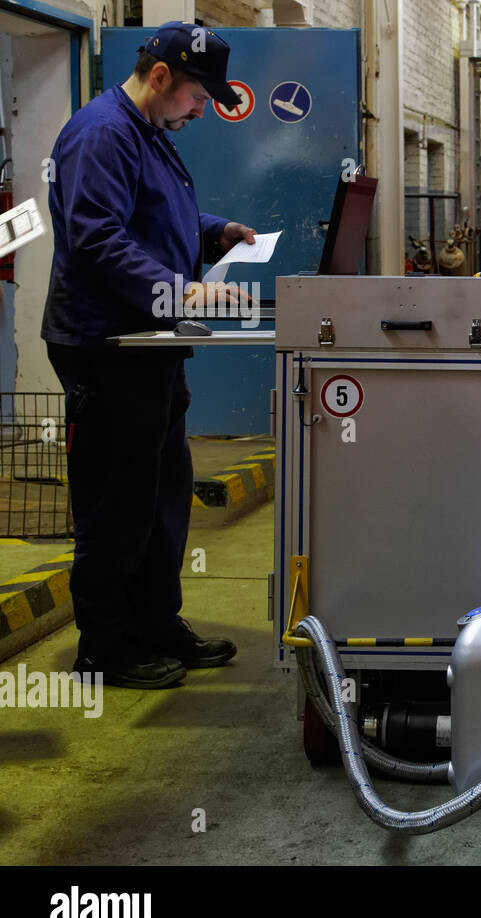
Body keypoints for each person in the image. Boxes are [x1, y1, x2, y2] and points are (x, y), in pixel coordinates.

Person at [42, 21, 255, 688]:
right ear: (161, 76)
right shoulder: (101, 133)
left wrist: (215, 233)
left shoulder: (147, 134)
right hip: (106, 344)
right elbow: (96, 237)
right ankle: (106, 646)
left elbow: (156, 219)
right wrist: (178, 290)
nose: (201, 109)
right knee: (116, 503)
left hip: (151, 342)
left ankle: (158, 624)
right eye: (197, 95)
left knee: (161, 496)